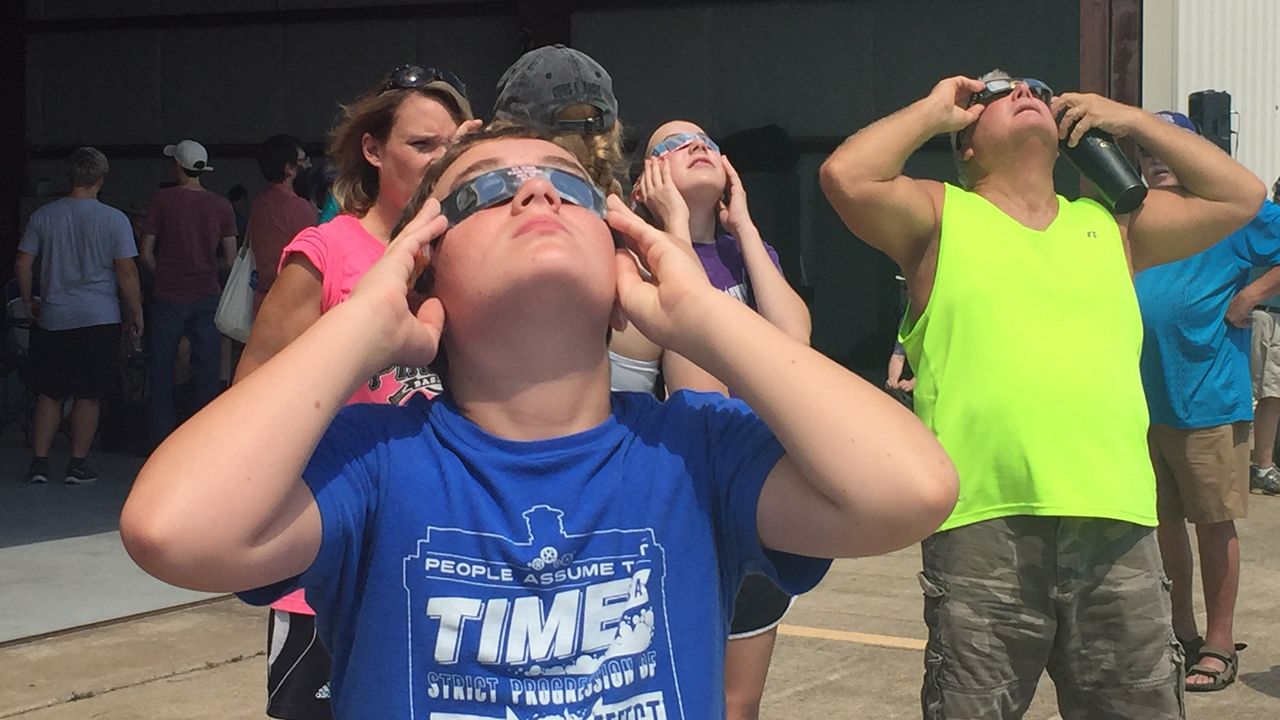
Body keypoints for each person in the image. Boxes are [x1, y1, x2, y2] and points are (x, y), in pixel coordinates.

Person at [120, 125, 959, 720]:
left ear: (621, 249)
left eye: (571, 187)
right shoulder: (376, 462)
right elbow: (172, 529)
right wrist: (360, 326)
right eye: (485, 190)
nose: (534, 191)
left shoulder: (695, 449)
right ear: (423, 266)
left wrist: (702, 317)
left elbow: (912, 488)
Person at [820, 71, 1265, 719]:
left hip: (1115, 516)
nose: (1025, 91)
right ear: (966, 144)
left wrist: (1134, 122)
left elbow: (1240, 197)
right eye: (999, 94)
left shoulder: (1113, 227)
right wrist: (931, 110)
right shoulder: (939, 216)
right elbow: (847, 176)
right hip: (982, 521)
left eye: (1036, 88)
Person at [235, 64, 476, 720]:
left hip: (441, 564)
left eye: (453, 147)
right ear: (373, 150)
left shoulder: (465, 259)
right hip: (329, 569)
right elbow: (251, 394)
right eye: (423, 144)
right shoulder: (327, 252)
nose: (439, 161)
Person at [634, 120, 812, 720]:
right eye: (673, 145)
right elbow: (696, 394)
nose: (698, 147)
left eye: (707, 142)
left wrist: (747, 227)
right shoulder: (636, 261)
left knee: (741, 702)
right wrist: (674, 231)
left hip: (755, 488)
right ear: (645, 181)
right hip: (687, 497)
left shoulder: (748, 255)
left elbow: (794, 343)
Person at [1135, 110, 1280, 692]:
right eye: (1145, 150)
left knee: (1213, 526)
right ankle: (1180, 631)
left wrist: (1251, 294)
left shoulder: (1233, 213)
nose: (1156, 159)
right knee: (1163, 525)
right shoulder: (1135, 212)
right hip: (1141, 405)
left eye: (1170, 146)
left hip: (1207, 402)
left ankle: (1219, 643)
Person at [15, 147, 143, 483]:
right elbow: (126, 271)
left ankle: (40, 462)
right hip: (98, 316)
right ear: (101, 180)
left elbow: (23, 262)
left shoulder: (43, 216)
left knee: (50, 391)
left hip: (54, 316)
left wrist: (29, 300)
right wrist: (136, 312)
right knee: (89, 393)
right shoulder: (115, 219)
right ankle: (77, 463)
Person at [139, 139, 238, 448]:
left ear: (177, 166)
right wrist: (206, 267)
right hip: (206, 292)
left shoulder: (162, 200)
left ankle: (162, 442)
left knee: (161, 369)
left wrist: (164, 272)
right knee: (207, 370)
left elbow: (146, 252)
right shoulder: (222, 205)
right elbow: (232, 258)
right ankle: (204, 441)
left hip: (168, 294)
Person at [248, 134, 317, 314]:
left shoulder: (258, 203)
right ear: (289, 169)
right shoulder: (299, 207)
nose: (309, 165)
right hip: (292, 304)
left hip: (261, 299)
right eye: (303, 161)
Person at [1243, 176, 1280, 495]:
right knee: (1263, 394)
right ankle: (1261, 466)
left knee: (1271, 395)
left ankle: (1263, 464)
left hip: (1269, 317)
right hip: (1265, 317)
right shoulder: (1264, 219)